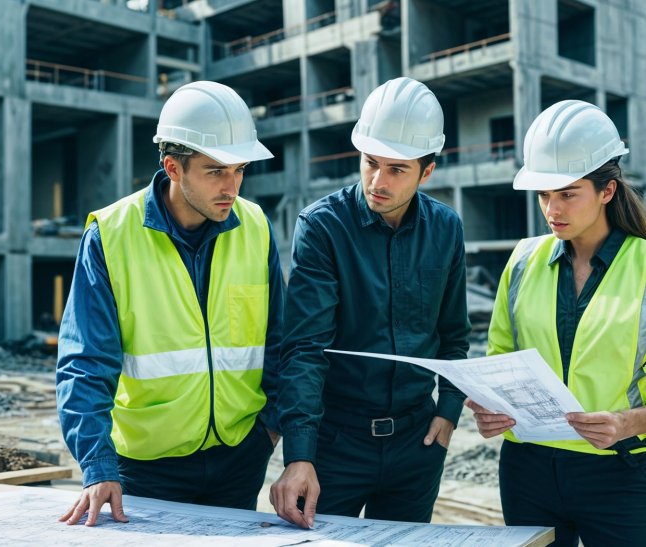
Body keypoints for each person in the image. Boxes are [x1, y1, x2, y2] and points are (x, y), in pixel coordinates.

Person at [56, 81, 285, 526]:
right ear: (172, 167)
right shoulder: (111, 235)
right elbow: (85, 362)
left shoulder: (255, 225)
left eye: (239, 170)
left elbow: (278, 339)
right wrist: (98, 466)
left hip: (241, 459)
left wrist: (270, 429)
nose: (231, 186)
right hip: (145, 469)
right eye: (215, 171)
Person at [270, 77, 471, 528]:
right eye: (370, 163)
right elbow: (304, 347)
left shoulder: (446, 230)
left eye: (397, 169)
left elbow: (454, 334)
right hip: (337, 445)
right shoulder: (322, 228)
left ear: (427, 171)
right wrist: (300, 454)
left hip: (418, 443)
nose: (378, 182)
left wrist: (449, 410)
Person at [466, 99, 646, 546]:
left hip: (620, 471)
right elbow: (500, 359)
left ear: (607, 190)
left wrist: (627, 423)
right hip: (528, 471)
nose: (552, 209)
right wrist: (492, 410)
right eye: (545, 194)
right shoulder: (524, 260)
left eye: (567, 193)